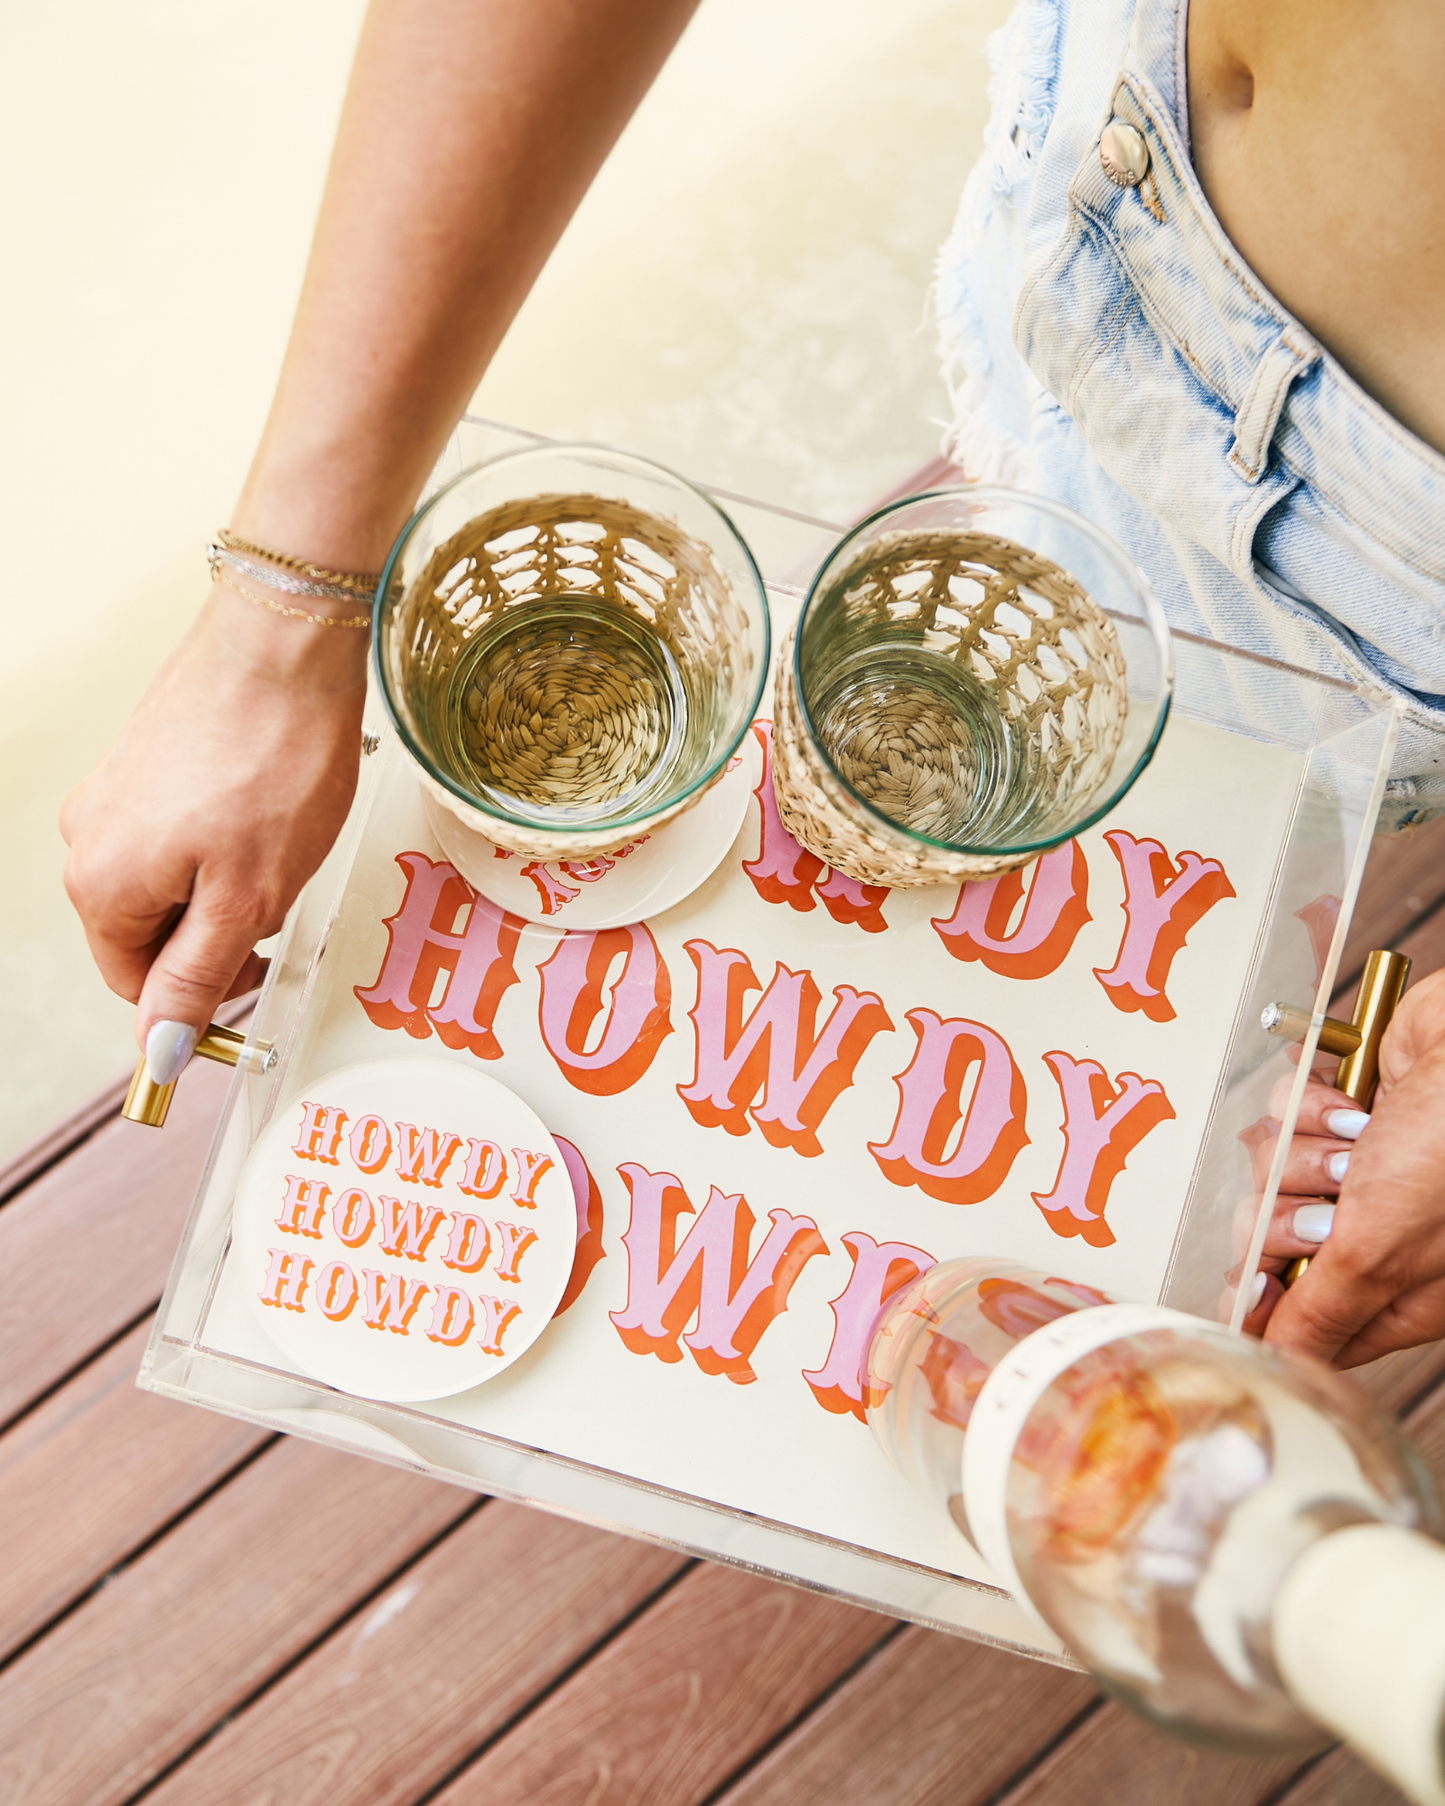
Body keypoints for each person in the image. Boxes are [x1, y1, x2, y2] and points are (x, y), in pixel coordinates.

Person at [60, 0, 1445, 1370]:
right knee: (999, 624)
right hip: (1121, 154)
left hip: (1386, 568)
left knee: (1073, 892)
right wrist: (276, 615)